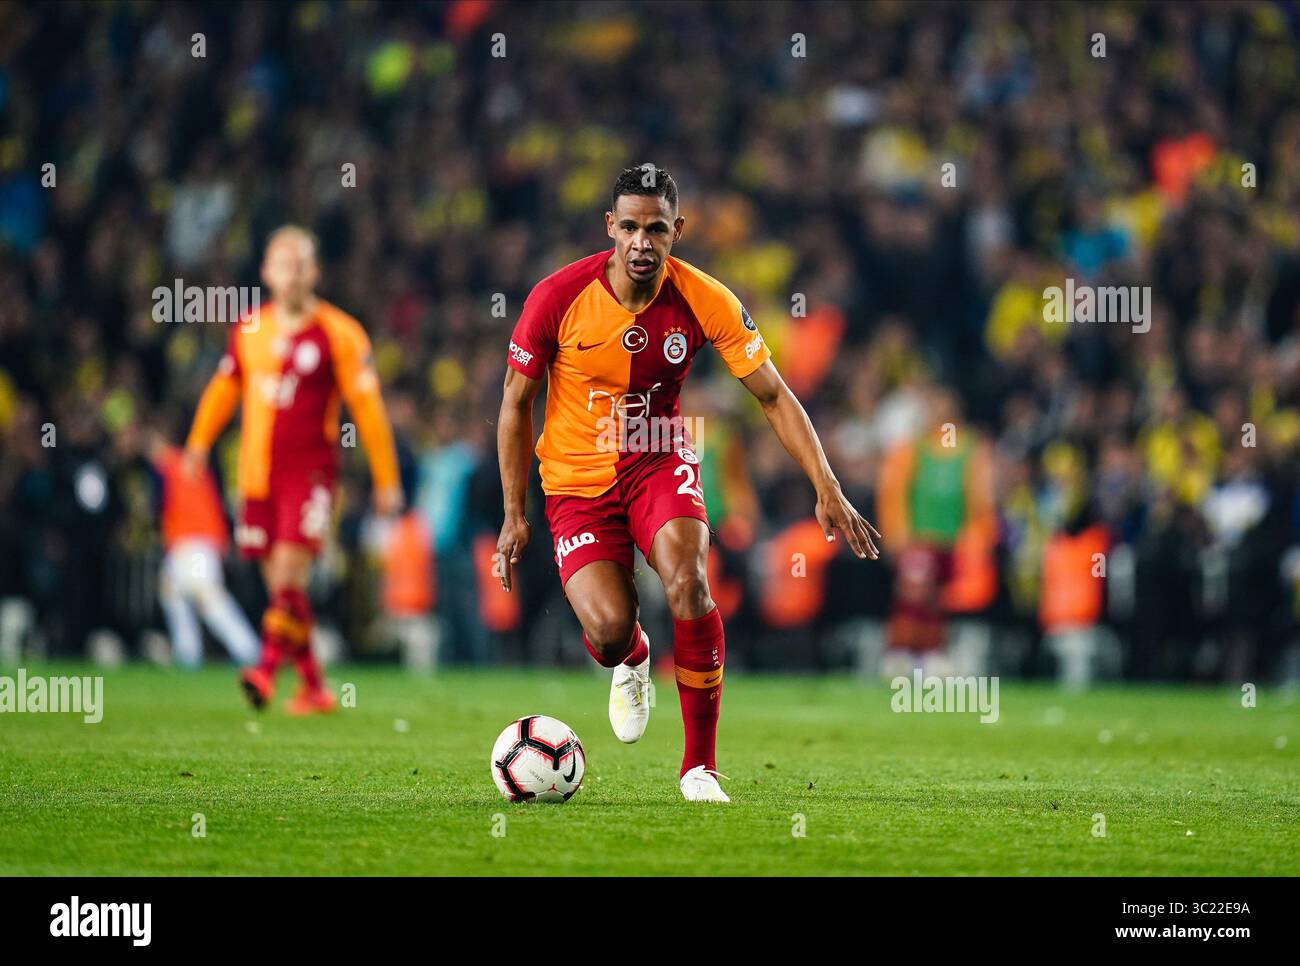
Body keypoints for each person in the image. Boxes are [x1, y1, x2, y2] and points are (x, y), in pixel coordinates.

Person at [496, 165, 881, 801]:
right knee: (608, 630)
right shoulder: (556, 297)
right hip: (573, 481)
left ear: (678, 230)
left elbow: (774, 395)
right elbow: (514, 404)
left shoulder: (707, 299)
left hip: (655, 459)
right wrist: (515, 514)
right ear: (609, 229)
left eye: (655, 229)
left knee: (688, 575)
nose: (641, 242)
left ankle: (698, 767)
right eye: (629, 228)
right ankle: (633, 656)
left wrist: (827, 486)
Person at [184, 226, 402, 714]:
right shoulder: (248, 329)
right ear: (266, 271)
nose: (293, 272)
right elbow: (224, 391)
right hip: (256, 477)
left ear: (315, 271)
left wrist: (386, 480)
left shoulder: (340, 332)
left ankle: (263, 672)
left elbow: (367, 410)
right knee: (283, 590)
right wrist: (198, 444)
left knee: (286, 579)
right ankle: (315, 687)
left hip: (311, 476)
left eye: (301, 262)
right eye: (283, 263)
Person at [149, 422, 261, 669]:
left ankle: (248, 650)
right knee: (172, 592)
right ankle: (187, 652)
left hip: (191, 541)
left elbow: (157, 504)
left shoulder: (166, 465)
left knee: (209, 599)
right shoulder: (194, 465)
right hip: (200, 540)